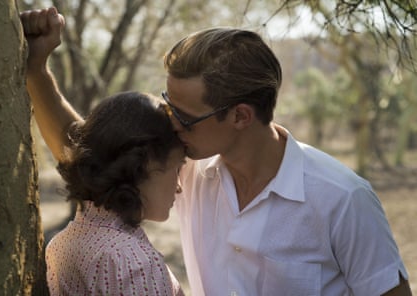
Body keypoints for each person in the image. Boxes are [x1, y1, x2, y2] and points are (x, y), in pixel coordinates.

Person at [21, 7, 412, 296]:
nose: (170, 124)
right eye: (167, 105)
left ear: (240, 115)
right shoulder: (187, 166)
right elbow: (92, 152)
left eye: (184, 116)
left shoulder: (343, 198)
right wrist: (37, 69)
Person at [20, 9, 185, 296]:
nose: (180, 186)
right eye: (176, 168)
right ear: (143, 164)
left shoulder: (65, 242)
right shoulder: (134, 264)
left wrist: (36, 68)